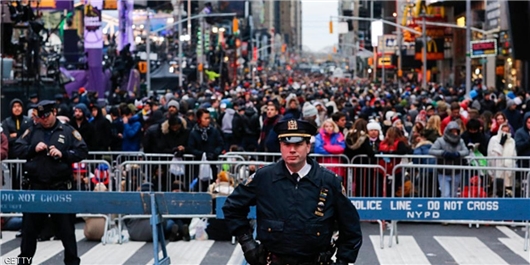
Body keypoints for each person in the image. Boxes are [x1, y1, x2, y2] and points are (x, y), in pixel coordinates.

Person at [222, 119, 362, 265]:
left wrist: (343, 260)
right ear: (280, 146)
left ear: (308, 146)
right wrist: (247, 243)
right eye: (286, 144)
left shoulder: (329, 181)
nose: (292, 150)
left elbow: (351, 227)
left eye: (298, 144)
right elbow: (233, 207)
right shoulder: (264, 177)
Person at [13, 100, 88, 265]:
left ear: (54, 112)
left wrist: (63, 154)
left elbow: (82, 150)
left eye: (46, 115)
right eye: (41, 116)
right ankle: (23, 262)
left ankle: (72, 263)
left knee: (67, 232)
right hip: (36, 188)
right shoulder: (32, 130)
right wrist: (33, 148)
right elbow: (17, 149)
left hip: (59, 188)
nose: (44, 119)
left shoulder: (67, 131)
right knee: (29, 233)